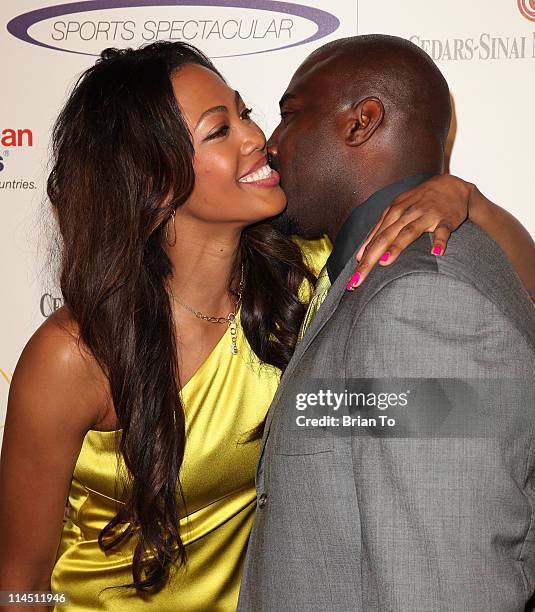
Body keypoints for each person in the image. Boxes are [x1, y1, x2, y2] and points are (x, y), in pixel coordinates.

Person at [0, 40, 532, 612]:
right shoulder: (74, 356)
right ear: (153, 180)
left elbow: (513, 295)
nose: (258, 138)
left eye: (245, 112)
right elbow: (20, 575)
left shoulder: (306, 278)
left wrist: (466, 199)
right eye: (218, 130)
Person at [237, 34, 535, 611]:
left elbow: (448, 590)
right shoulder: (374, 273)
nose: (271, 144)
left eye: (290, 116)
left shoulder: (417, 305)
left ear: (362, 122)